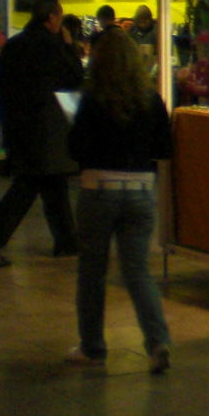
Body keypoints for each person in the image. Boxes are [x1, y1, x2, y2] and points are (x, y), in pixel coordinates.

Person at [66, 26, 173, 371]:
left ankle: (93, 347)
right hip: (141, 192)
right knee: (138, 270)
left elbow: (76, 148)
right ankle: (158, 342)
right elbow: (165, 148)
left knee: (92, 271)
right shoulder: (151, 99)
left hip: (99, 190)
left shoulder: (92, 100)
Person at [0, 0, 86, 265]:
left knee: (52, 184)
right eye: (59, 17)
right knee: (30, 185)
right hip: (48, 127)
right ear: (52, 18)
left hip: (19, 125)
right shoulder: (53, 45)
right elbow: (74, 79)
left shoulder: (14, 45)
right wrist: (69, 47)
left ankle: (67, 241)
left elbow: (3, 85)